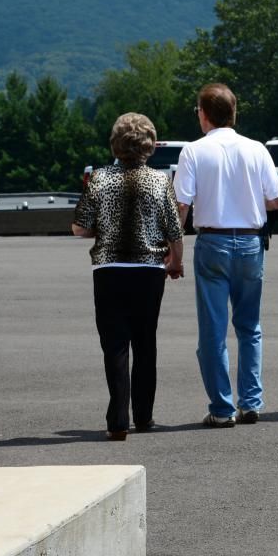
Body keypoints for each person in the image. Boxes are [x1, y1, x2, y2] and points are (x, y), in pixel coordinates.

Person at [175, 84, 278, 428]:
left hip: (212, 241)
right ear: (234, 113)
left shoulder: (193, 151)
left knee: (213, 330)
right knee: (249, 326)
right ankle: (251, 402)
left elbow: (181, 205)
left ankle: (222, 408)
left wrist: (173, 249)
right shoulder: (256, 149)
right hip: (251, 242)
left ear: (203, 114)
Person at [72, 113, 184, 440]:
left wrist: (101, 228)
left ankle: (118, 419)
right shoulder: (159, 180)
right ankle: (144, 416)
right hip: (148, 270)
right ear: (149, 143)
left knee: (115, 345)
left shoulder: (100, 180)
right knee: (145, 342)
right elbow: (174, 229)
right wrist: (176, 262)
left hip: (108, 269)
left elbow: (79, 227)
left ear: (115, 142)